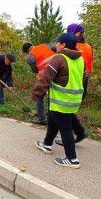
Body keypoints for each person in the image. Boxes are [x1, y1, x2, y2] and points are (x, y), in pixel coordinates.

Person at [32, 33, 86, 168]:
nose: (56, 45)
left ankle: (72, 159)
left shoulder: (59, 58)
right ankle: (47, 144)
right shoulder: (81, 60)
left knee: (65, 128)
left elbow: (45, 78)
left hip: (60, 100)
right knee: (52, 118)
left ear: (63, 45)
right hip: (74, 100)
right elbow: (84, 79)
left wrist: (36, 94)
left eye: (58, 43)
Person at [23, 43, 56, 125]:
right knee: (51, 97)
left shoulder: (30, 57)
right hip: (57, 73)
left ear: (27, 51)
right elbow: (57, 48)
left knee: (39, 96)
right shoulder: (45, 45)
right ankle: (50, 118)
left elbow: (35, 70)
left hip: (44, 77)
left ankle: (41, 119)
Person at [66, 24, 93, 99]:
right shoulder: (88, 47)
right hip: (86, 75)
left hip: (73, 75)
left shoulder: (71, 46)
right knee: (80, 96)